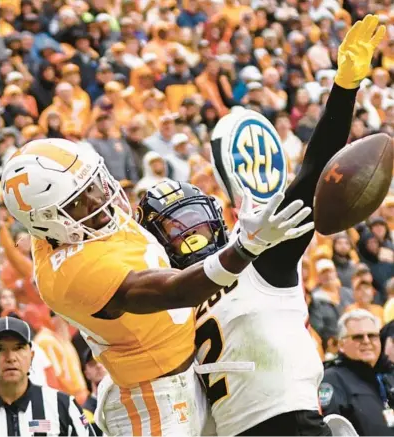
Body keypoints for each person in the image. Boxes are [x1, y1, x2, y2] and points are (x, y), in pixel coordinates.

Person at [138, 15, 386, 436]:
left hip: (285, 419)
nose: (189, 233)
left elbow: (314, 171)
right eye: (176, 228)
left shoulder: (242, 260)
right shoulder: (179, 297)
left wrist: (344, 90)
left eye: (191, 219)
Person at [1, 137, 312, 437]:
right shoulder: (72, 274)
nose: (99, 198)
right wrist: (245, 247)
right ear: (47, 221)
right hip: (153, 402)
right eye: (81, 200)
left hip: (182, 374)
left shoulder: (76, 222)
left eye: (94, 182)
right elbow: (178, 292)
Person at [0, 316, 95, 436]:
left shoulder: (63, 405)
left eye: (19, 348)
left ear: (32, 356)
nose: (11, 358)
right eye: (0, 348)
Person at [319, 310, 394, 436]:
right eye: (358, 337)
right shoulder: (331, 379)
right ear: (341, 344)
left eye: (372, 336)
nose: (366, 341)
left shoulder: (387, 375)